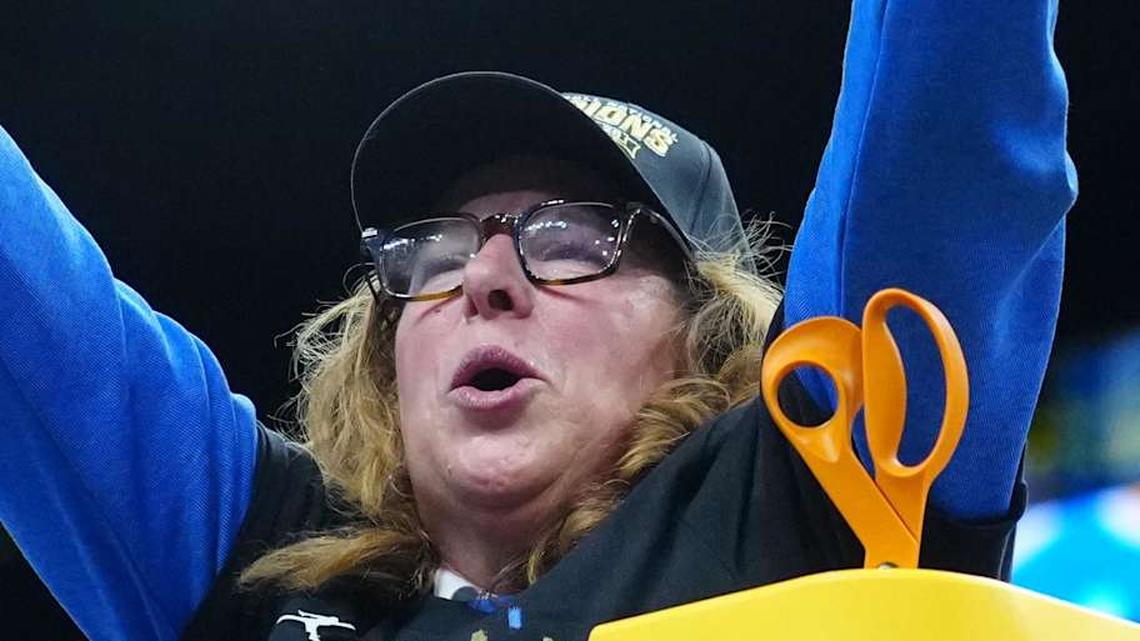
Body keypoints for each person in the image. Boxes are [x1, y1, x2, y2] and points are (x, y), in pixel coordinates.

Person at [0, 0, 1076, 639]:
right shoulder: (261, 563)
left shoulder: (812, 494)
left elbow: (946, 126)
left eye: (570, 237)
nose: (486, 280)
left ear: (701, 332)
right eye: (431, 251)